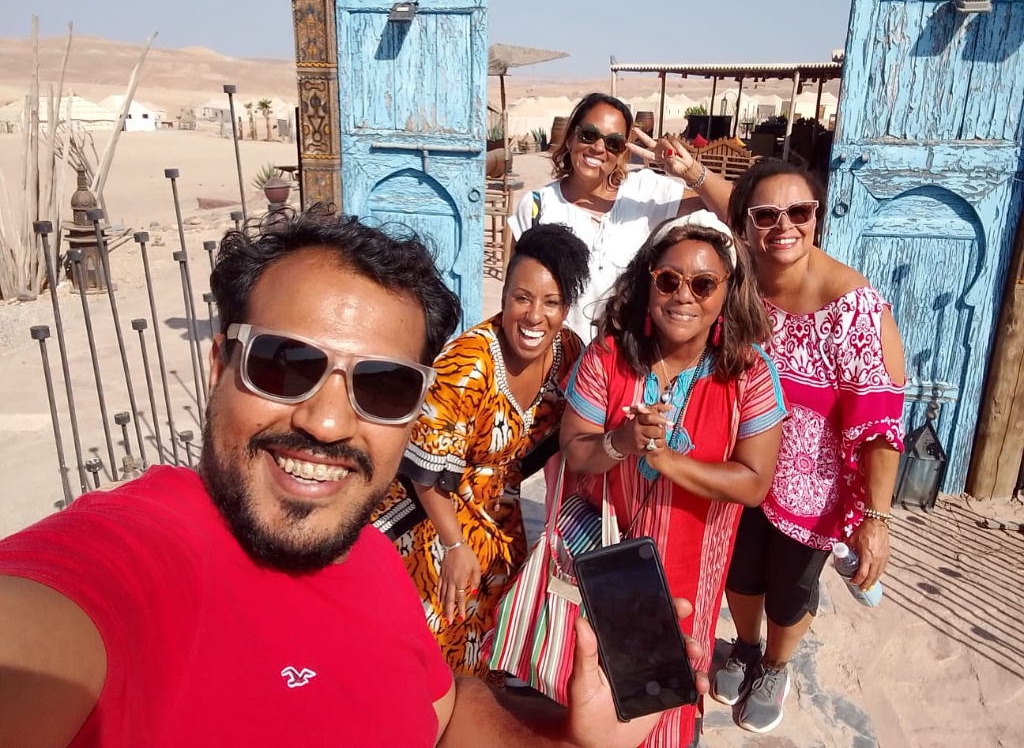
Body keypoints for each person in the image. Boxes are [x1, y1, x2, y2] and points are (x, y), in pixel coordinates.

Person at [0, 209, 710, 747]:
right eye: (285, 365)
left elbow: (441, 711)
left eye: (384, 387)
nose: (330, 420)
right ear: (220, 366)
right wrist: (455, 538)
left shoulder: (368, 560)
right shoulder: (135, 562)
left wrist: (573, 741)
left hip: (496, 535)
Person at [559, 211, 789, 747]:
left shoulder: (749, 374)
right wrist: (621, 442)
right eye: (669, 280)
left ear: (727, 293)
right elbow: (575, 452)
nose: (684, 295)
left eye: (704, 284)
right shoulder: (609, 358)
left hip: (692, 572)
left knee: (672, 694)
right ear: (648, 283)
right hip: (605, 564)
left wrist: (666, 461)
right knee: (596, 687)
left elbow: (754, 483)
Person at [709, 160, 906, 734]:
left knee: (789, 590)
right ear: (745, 225)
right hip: (740, 463)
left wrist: (875, 517)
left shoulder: (852, 306)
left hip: (813, 485)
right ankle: (745, 648)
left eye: (800, 211)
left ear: (817, 215)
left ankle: (775, 664)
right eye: (766, 215)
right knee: (739, 573)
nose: (784, 226)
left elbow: (879, 421)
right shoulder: (738, 281)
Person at [380, 223, 589, 677]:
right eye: (522, 298)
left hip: (500, 508)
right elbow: (424, 473)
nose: (535, 317)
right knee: (442, 627)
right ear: (504, 295)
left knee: (499, 629)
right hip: (436, 511)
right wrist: (454, 544)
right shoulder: (468, 364)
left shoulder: (568, 351)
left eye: (551, 303)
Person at [509, 92, 708, 341]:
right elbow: (514, 296)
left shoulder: (645, 193)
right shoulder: (538, 207)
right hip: (554, 368)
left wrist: (691, 172)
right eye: (589, 135)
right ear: (570, 137)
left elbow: (735, 209)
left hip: (624, 368)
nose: (599, 148)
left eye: (613, 142)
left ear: (623, 153)